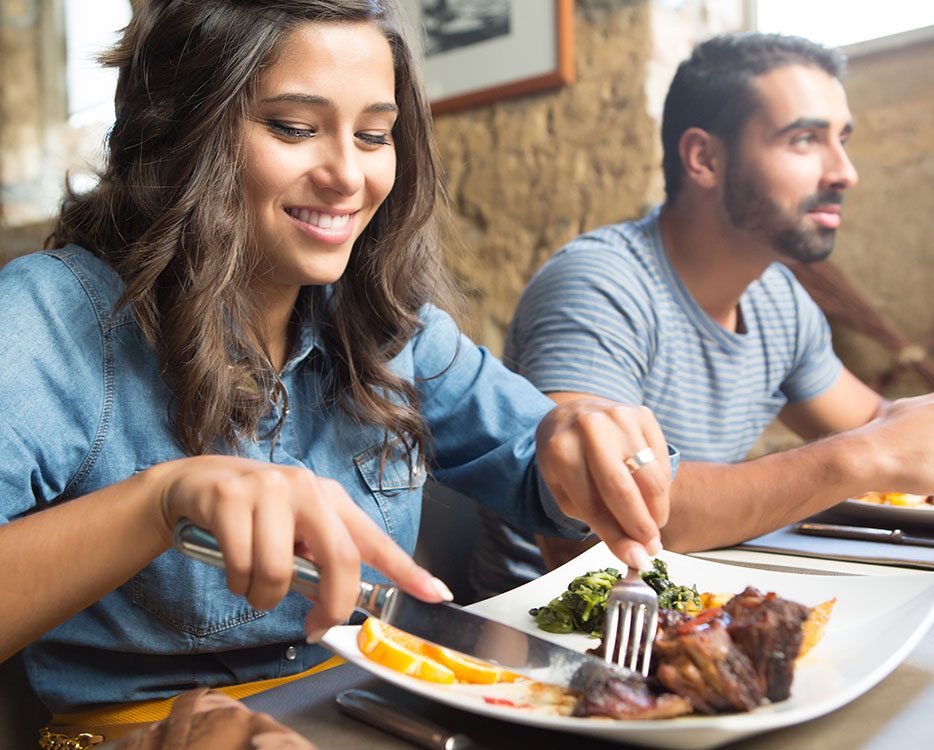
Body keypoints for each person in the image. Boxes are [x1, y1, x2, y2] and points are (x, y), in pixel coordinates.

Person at [0, 0, 675, 731]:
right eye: (294, 128)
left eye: (374, 135)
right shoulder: (48, 319)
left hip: (376, 711)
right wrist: (160, 503)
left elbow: (539, 463)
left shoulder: (386, 325)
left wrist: (579, 441)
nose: (348, 177)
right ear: (179, 129)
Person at [471, 31, 934, 598]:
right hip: (542, 634)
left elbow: (882, 426)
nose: (844, 172)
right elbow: (600, 518)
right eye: (804, 140)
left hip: (696, 606)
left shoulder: (778, 298)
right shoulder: (599, 285)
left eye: (841, 140)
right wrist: (870, 454)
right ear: (704, 158)